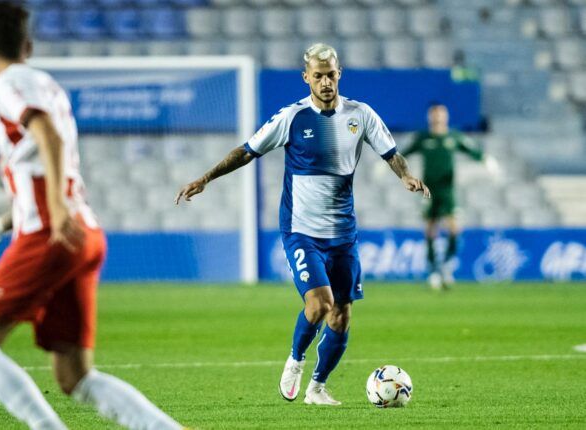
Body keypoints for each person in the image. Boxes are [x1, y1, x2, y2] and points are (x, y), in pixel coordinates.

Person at [0, 2, 182, 429]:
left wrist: (56, 211)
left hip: (51, 236)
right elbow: (41, 170)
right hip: (84, 232)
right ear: (29, 44)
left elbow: (49, 139)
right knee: (74, 375)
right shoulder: (47, 85)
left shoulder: (10, 84)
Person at [175, 43, 429, 406]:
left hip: (343, 233)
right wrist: (205, 178)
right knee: (319, 305)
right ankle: (295, 360)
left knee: (341, 316)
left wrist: (406, 176)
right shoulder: (292, 118)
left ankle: (317, 388)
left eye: (331, 74)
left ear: (339, 74)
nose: (326, 81)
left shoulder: (361, 115)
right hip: (302, 231)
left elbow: (392, 154)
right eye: (319, 75)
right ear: (306, 77)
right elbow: (247, 150)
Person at [403, 103, 497, 290]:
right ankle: (433, 271)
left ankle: (446, 265)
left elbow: (471, 150)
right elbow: (405, 152)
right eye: (434, 114)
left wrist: (486, 160)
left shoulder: (453, 136)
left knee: (454, 228)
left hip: (447, 190)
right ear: (429, 117)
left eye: (441, 114)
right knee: (430, 229)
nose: (437, 117)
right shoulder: (423, 138)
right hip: (428, 190)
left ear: (445, 116)